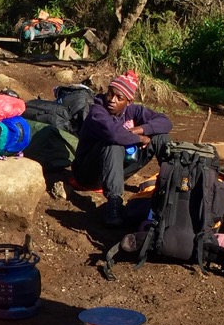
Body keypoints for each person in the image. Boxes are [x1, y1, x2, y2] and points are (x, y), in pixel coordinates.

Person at [72, 70, 173, 227]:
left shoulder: (133, 111)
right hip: (88, 173)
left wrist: (139, 130)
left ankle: (173, 182)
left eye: (119, 98)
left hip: (115, 171)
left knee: (160, 136)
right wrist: (140, 139)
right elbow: (114, 134)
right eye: (110, 94)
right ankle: (114, 205)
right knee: (113, 143)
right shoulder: (97, 112)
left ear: (128, 101)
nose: (112, 100)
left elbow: (165, 122)